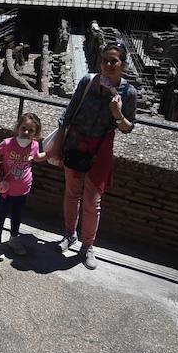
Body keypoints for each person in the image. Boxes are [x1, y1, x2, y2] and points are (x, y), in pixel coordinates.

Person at [50, 42, 139, 269]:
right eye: (105, 60)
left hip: (100, 150)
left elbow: (128, 128)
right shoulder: (87, 81)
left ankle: (87, 245)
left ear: (122, 64)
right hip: (76, 143)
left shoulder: (128, 93)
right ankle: (69, 235)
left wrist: (117, 114)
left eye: (114, 61)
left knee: (92, 202)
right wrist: (59, 140)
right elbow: (69, 112)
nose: (108, 65)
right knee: (71, 194)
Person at [0, 112, 46, 258]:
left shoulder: (34, 145)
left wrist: (52, 153)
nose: (26, 133)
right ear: (18, 128)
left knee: (17, 215)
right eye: (23, 128)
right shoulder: (7, 144)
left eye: (31, 130)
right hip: (7, 189)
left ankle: (14, 238)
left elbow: (37, 157)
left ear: (36, 133)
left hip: (23, 189)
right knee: (1, 214)